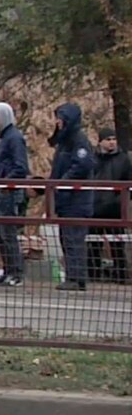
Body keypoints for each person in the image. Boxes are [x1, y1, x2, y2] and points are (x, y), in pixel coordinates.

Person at [49, 104, 97, 291]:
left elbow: (83, 165)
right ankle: (74, 276)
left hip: (77, 200)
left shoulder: (79, 141)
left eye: (60, 118)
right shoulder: (64, 142)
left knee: (73, 239)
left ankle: (76, 278)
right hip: (67, 200)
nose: (57, 122)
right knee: (67, 239)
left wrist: (63, 182)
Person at [0, 102, 30, 286]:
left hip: (9, 193)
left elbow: (21, 167)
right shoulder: (3, 138)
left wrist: (5, 182)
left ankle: (16, 272)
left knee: (8, 233)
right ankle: (7, 270)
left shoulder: (14, 138)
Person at [87, 128, 131, 284]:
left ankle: (120, 275)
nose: (112, 142)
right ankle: (93, 275)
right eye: (108, 139)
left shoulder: (123, 159)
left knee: (117, 243)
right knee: (93, 244)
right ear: (100, 141)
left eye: (114, 139)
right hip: (95, 206)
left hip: (114, 208)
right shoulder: (92, 158)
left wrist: (120, 200)